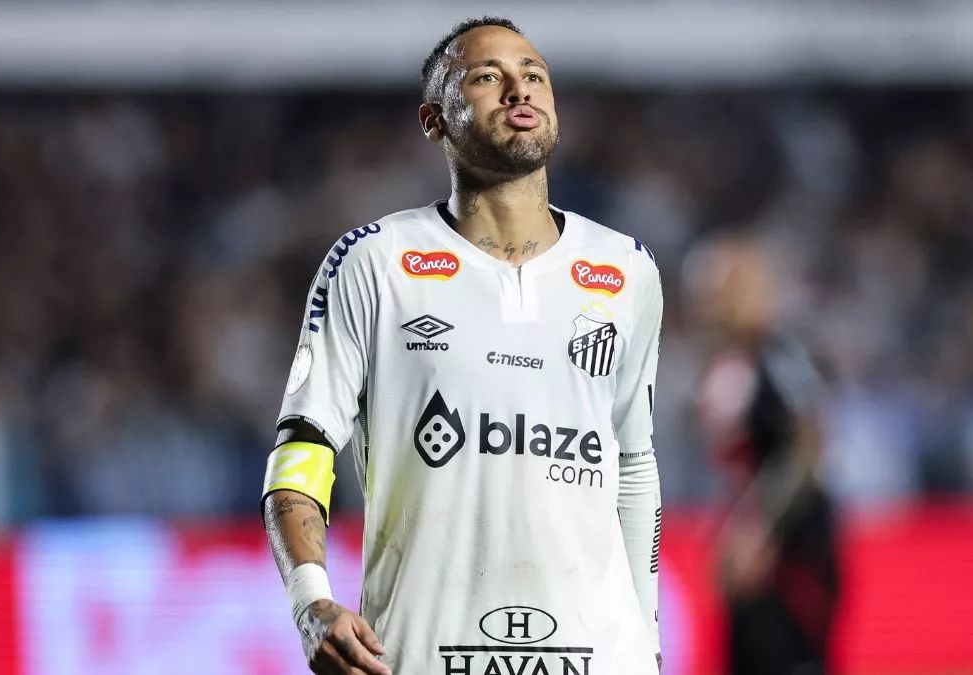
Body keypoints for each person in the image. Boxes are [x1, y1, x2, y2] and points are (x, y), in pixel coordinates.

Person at [261, 17, 665, 675]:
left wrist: (646, 646)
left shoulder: (627, 270)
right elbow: (302, 450)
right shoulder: (375, 262)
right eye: (486, 76)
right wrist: (312, 602)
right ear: (433, 120)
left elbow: (635, 465)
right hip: (420, 655)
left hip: (598, 659)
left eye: (533, 73)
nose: (517, 88)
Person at [688, 235, 839, 675]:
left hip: (792, 541)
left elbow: (807, 442)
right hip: (744, 536)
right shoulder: (727, 362)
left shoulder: (781, 354)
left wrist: (759, 526)